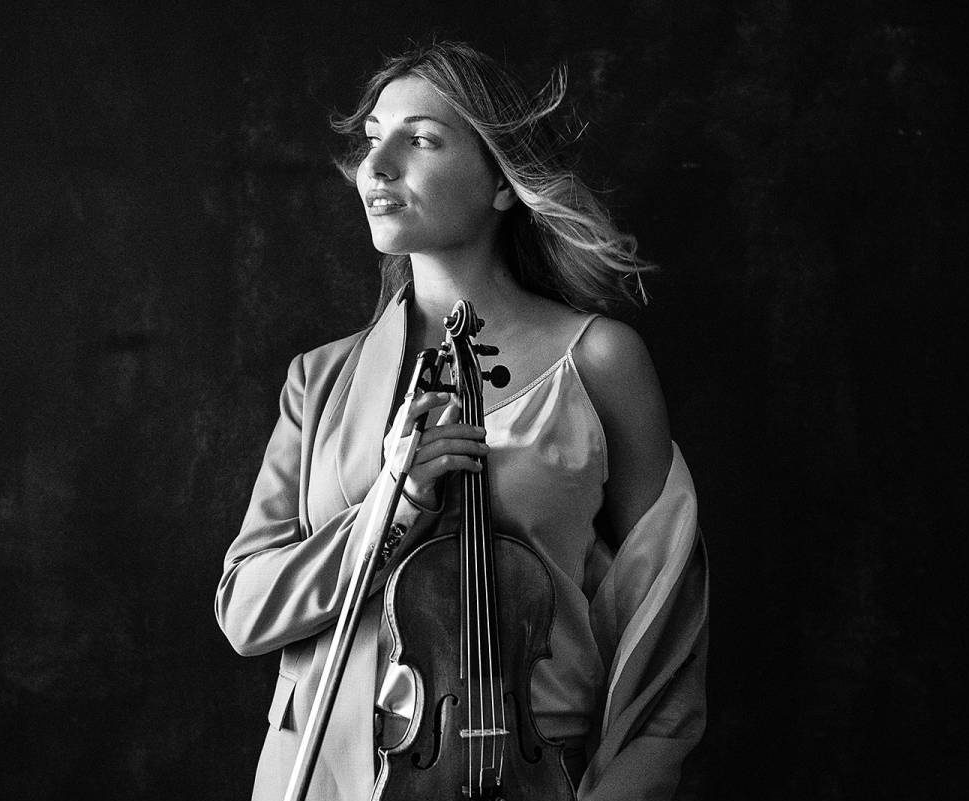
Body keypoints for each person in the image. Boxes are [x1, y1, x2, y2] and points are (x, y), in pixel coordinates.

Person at [216, 41, 707, 801]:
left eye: (420, 139)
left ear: (502, 184)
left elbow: (665, 635)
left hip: (536, 779)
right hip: (333, 781)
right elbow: (246, 611)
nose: (376, 167)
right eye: (372, 138)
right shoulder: (318, 380)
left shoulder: (601, 361)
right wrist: (392, 506)